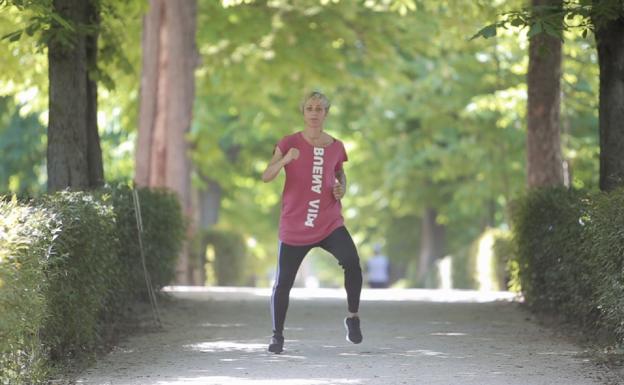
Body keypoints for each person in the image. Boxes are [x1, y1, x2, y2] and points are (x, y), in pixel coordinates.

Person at [262, 91, 363, 354]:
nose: (315, 113)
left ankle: (352, 317)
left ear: (326, 114)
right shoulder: (288, 142)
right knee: (283, 282)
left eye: (320, 109)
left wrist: (342, 188)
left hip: (329, 222)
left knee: (352, 262)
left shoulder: (336, 146)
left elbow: (340, 175)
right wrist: (285, 159)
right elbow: (266, 175)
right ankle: (277, 336)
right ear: (304, 113)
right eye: (310, 108)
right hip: (296, 224)